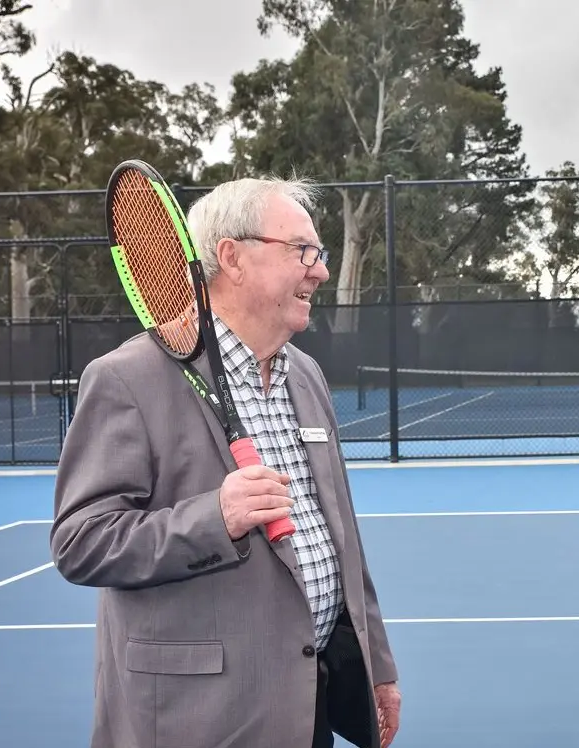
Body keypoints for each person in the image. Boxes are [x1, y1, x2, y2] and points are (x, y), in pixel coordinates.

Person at [50, 176, 401, 748]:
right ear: (232, 258)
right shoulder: (125, 379)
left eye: (320, 253)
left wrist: (375, 664)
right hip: (196, 720)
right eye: (303, 252)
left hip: (305, 705)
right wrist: (218, 518)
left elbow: (341, 536)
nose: (320, 270)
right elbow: (81, 542)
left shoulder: (305, 375)